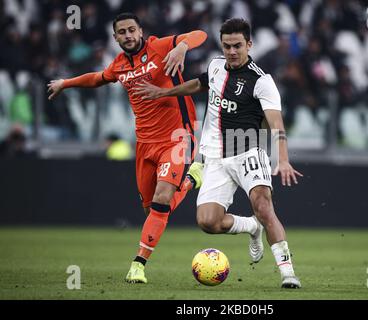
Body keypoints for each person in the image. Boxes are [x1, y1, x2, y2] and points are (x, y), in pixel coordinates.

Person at [132, 18, 303, 288]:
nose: (232, 51)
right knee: (207, 222)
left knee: (263, 207)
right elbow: (199, 85)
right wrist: (164, 92)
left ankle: (287, 272)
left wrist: (282, 159)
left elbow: (276, 124)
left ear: (249, 44)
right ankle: (250, 227)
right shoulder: (214, 66)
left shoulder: (261, 81)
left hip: (248, 152)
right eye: (226, 46)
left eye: (237, 46)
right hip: (214, 157)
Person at [47, 13, 207, 284]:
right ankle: (191, 181)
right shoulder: (119, 65)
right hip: (144, 144)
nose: (128, 35)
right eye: (122, 32)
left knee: (162, 198)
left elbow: (199, 34)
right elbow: (97, 78)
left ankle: (138, 265)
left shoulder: (159, 45)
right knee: (154, 211)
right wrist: (66, 83)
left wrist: (181, 47)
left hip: (178, 136)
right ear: (115, 38)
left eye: (132, 30)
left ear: (141, 30)